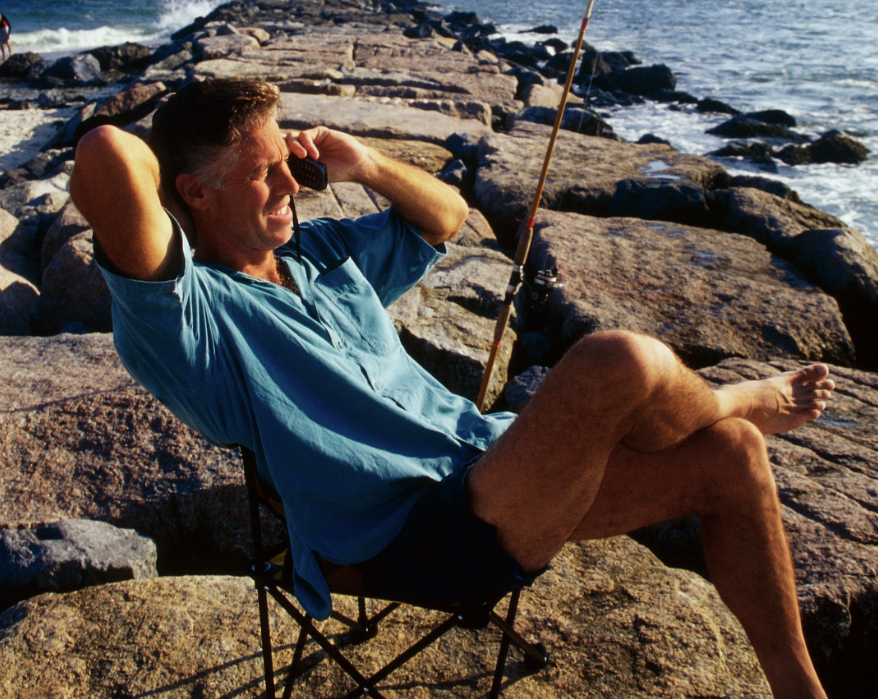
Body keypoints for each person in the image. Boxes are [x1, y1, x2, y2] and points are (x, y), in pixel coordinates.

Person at [70, 77, 832, 699]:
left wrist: (360, 163)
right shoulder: (190, 321)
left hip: (486, 468)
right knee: (617, 363)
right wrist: (179, 183)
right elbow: (107, 151)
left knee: (732, 458)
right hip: (413, 535)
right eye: (262, 172)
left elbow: (448, 216)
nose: (290, 185)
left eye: (288, 162)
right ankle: (736, 397)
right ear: (194, 196)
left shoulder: (320, 252)